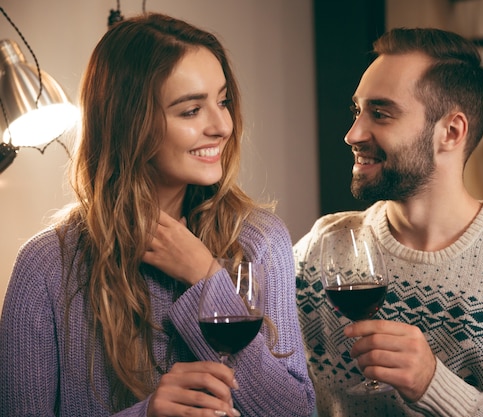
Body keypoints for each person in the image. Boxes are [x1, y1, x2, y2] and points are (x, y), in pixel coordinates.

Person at [0, 13, 315, 417]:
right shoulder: (46, 267)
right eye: (190, 111)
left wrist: (206, 278)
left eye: (223, 102)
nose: (222, 125)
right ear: (129, 124)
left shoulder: (260, 240)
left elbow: (298, 411)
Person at [294, 27, 483, 416]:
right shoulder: (323, 246)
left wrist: (433, 385)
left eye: (381, 114)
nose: (353, 134)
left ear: (450, 132)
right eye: (358, 111)